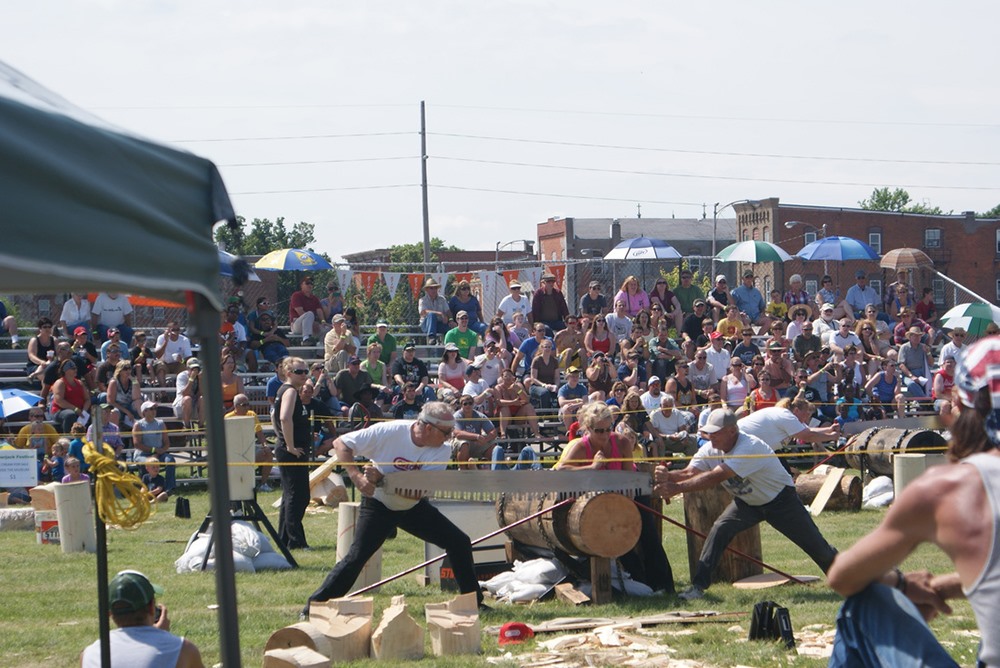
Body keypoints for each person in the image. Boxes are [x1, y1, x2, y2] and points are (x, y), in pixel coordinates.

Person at [825, 335, 1000, 667]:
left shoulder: (951, 488)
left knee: (863, 605)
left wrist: (902, 582)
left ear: (958, 408)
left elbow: (843, 577)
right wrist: (949, 585)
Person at [305, 402, 483, 614]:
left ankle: (474, 604)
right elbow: (340, 443)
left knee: (459, 542)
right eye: (446, 432)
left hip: (413, 508)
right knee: (357, 557)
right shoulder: (389, 431)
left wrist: (383, 479)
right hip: (379, 505)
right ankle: (315, 606)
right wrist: (357, 477)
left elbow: (418, 491)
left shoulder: (441, 450)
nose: (449, 437)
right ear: (428, 428)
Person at [654, 408, 837, 600]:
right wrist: (669, 476)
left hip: (781, 501)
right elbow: (690, 472)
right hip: (748, 503)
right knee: (720, 529)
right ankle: (698, 587)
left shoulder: (749, 446)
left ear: (732, 431)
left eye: (716, 433)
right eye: (709, 432)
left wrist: (676, 488)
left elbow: (717, 476)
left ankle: (847, 579)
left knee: (816, 546)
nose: (711, 437)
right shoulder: (711, 448)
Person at [556, 402, 675, 593]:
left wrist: (626, 498)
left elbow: (628, 477)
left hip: (627, 494)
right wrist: (592, 467)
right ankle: (639, 584)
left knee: (647, 534)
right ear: (588, 429)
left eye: (607, 429)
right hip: (597, 501)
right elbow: (561, 470)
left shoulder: (621, 442)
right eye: (599, 431)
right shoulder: (579, 447)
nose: (604, 435)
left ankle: (664, 585)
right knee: (616, 536)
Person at [81, 569, 204, 668]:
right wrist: (160, 636)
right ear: (151, 607)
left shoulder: (89, 655)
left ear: (109, 614)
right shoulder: (182, 649)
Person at [273, 356, 313, 550]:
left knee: (291, 495)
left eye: (305, 371)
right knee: (299, 496)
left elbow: (275, 417)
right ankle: (296, 541)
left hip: (291, 449)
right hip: (292, 451)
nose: (304, 374)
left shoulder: (287, 391)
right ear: (288, 373)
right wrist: (289, 446)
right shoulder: (289, 392)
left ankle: (284, 538)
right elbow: (284, 418)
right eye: (299, 371)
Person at [225, 393, 275, 492]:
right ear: (236, 406)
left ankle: (263, 484)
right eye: (244, 405)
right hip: (233, 452)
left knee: (268, 454)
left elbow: (259, 433)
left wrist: (265, 446)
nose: (247, 407)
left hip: (250, 449)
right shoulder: (228, 418)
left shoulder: (252, 414)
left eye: (248, 404)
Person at [132, 400, 177, 493]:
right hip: (143, 455)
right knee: (147, 463)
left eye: (155, 408)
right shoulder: (138, 425)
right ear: (144, 412)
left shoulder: (160, 424)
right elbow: (137, 444)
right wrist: (153, 451)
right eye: (151, 409)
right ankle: (146, 489)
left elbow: (167, 443)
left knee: (170, 460)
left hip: (159, 453)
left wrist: (160, 451)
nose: (154, 411)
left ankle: (169, 488)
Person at [51, 359, 90, 436]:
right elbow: (59, 400)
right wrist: (75, 409)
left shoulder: (79, 382)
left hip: (79, 410)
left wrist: (84, 411)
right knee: (70, 415)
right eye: (73, 368)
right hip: (60, 411)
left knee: (92, 415)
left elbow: (87, 399)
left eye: (76, 368)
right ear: (66, 371)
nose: (76, 370)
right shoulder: (60, 382)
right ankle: (69, 438)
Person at [289, 276, 325, 345]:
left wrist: (323, 322)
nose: (310, 285)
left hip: (311, 325)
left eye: (311, 283)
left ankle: (320, 353)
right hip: (297, 325)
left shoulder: (315, 298)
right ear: (301, 285)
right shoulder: (296, 295)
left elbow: (319, 311)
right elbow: (300, 312)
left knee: (326, 329)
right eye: (307, 283)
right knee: (310, 314)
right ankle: (306, 339)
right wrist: (313, 323)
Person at [171, 358, 202, 428]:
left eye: (197, 368)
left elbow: (201, 394)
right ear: (187, 368)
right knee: (187, 399)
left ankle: (201, 427)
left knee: (202, 399)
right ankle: (186, 426)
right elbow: (185, 393)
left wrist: (200, 380)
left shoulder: (201, 376)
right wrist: (191, 378)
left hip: (195, 406)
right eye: (192, 368)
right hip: (181, 405)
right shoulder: (182, 376)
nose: (195, 371)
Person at [418, 278, 450, 344]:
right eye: (431, 288)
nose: (434, 290)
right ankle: (431, 337)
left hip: (439, 323)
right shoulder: (422, 300)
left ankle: (449, 344)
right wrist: (440, 314)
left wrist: (450, 319)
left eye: (435, 288)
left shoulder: (442, 299)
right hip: (426, 325)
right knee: (431, 315)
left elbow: (448, 311)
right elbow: (423, 312)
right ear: (427, 289)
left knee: (450, 328)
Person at [25, 317, 56, 381]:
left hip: (51, 364)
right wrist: (41, 362)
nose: (47, 329)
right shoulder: (34, 340)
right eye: (44, 327)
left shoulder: (55, 340)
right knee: (42, 367)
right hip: (35, 365)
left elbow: (59, 354)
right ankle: (47, 386)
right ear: (40, 329)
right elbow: (31, 356)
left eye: (49, 327)